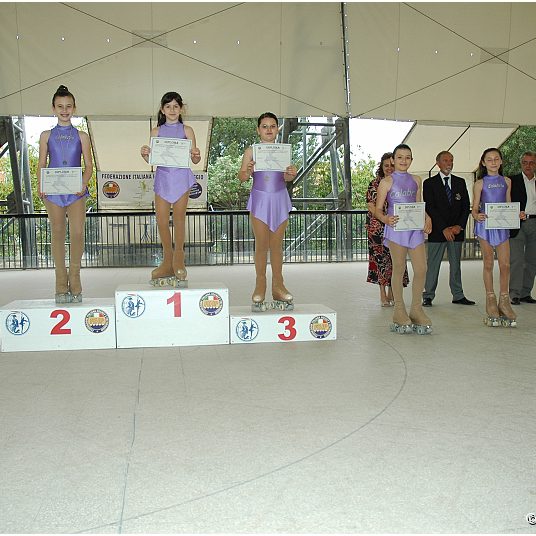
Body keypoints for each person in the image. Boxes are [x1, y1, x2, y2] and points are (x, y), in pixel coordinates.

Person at [37, 85, 93, 303]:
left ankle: (75, 277)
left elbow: (89, 166)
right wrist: (40, 184)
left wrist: (83, 183)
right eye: (60, 106)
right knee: (58, 232)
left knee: (77, 232)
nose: (64, 110)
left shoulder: (82, 136)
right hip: (53, 191)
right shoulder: (46, 135)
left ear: (74, 108)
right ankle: (60, 282)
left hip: (76, 192)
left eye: (68, 106)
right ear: (53, 108)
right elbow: (42, 163)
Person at [238, 112, 297, 311]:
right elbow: (242, 177)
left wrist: (291, 174)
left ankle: (279, 287)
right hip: (260, 200)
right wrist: (248, 170)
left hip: (280, 199)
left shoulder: (283, 151)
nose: (269, 129)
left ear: (277, 129)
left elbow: (286, 178)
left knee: (277, 246)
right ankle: (260, 286)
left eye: (272, 126)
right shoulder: (251, 151)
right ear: (258, 130)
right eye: (265, 126)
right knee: (261, 245)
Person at [140, 91, 201, 286]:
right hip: (163, 179)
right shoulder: (155, 131)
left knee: (180, 219)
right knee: (161, 220)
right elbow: (152, 159)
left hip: (181, 178)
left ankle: (179, 260)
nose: (172, 110)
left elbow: (195, 160)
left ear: (181, 109)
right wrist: (145, 154)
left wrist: (196, 154)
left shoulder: (187, 130)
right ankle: (167, 261)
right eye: (168, 106)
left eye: (176, 106)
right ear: (162, 110)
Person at [375, 144, 433, 334]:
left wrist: (427, 218)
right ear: (393, 160)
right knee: (399, 268)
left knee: (422, 268)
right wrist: (385, 219)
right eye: (400, 157)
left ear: (411, 160)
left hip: (414, 230)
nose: (403, 160)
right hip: (397, 230)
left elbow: (419, 204)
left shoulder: (416, 180)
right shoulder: (386, 182)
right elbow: (377, 209)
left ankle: (416, 309)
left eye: (407, 157)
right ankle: (399, 310)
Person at [472, 147, 520, 327]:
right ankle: (490, 299)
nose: (493, 162)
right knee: (488, 263)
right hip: (485, 225)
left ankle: (504, 300)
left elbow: (508, 204)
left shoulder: (507, 181)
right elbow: (474, 208)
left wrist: (516, 214)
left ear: (501, 161)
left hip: (502, 226)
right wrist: (476, 215)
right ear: (483, 163)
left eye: (496, 159)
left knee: (505, 264)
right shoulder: (480, 183)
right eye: (489, 159)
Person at [422, 151, 475, 306]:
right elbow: (430, 207)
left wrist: (459, 226)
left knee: (456, 265)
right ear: (438, 163)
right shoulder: (429, 183)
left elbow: (465, 206)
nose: (449, 163)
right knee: (433, 265)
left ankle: (458, 295)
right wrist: (444, 228)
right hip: (437, 232)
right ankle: (428, 295)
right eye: (445, 160)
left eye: (451, 160)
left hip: (456, 232)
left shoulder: (460, 182)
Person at [366, 152, 409, 306]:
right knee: (380, 261)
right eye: (386, 165)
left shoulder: (402, 182)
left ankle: (393, 291)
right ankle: (382, 294)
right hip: (377, 227)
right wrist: (383, 218)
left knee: (396, 260)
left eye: (391, 165)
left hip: (397, 226)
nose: (389, 168)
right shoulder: (375, 184)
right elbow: (370, 205)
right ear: (381, 167)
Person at [508, 151, 536, 305]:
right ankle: (515, 294)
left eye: (531, 162)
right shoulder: (512, 181)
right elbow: (505, 202)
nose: (528, 166)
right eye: (525, 162)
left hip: (534, 223)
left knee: (532, 260)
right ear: (521, 164)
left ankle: (526, 292)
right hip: (517, 224)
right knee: (517, 260)